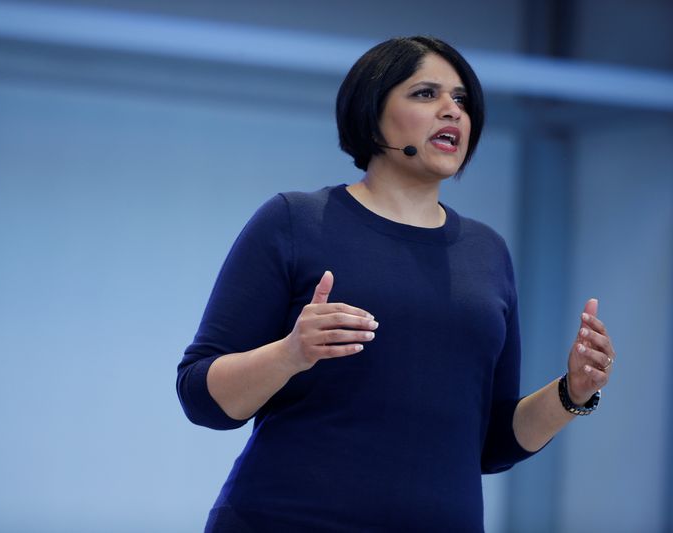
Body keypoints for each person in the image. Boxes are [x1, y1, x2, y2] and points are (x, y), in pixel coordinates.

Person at [176, 36, 616, 532]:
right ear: (371, 111)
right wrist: (290, 354)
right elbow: (201, 397)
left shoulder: (486, 251)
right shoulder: (293, 222)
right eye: (426, 94)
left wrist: (573, 392)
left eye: (462, 100)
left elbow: (491, 444)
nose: (452, 110)